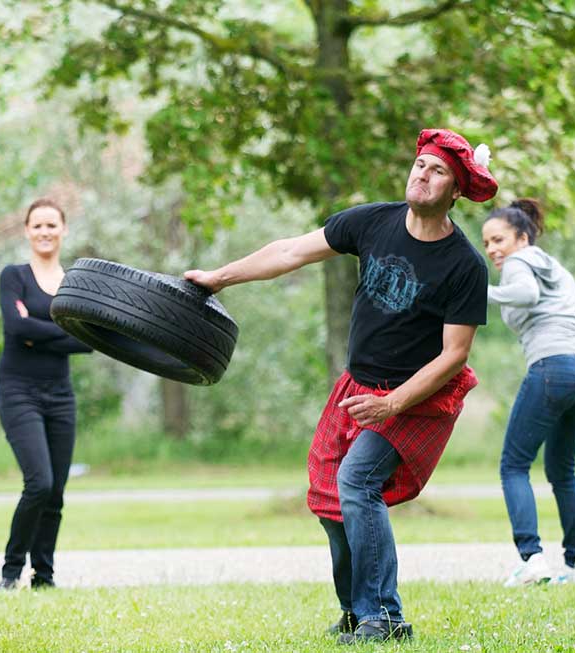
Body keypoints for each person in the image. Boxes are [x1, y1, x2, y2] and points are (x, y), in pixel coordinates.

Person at [185, 129, 497, 643]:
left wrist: (392, 402)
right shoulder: (373, 221)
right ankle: (360, 611)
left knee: (357, 482)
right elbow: (289, 252)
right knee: (330, 495)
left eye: (438, 170)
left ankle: (385, 615)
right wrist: (219, 278)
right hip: (359, 386)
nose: (423, 174)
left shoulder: (464, 265)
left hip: (418, 398)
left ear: (456, 190)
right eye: (420, 164)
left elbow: (454, 355)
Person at [481, 198, 575, 587]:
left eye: (499, 239)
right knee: (562, 470)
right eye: (487, 243)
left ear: (522, 238)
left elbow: (526, 296)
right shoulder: (557, 268)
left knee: (513, 465)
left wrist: (478, 291)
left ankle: (532, 558)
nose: (492, 250)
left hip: (551, 367)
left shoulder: (520, 263)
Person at [0, 198, 92, 590]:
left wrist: (40, 332)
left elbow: (87, 341)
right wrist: (63, 335)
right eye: (37, 225)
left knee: (56, 491)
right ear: (26, 231)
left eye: (52, 225)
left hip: (60, 395)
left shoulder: (75, 283)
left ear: (64, 230)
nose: (45, 232)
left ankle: (44, 578)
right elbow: (17, 331)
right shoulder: (13, 276)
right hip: (18, 390)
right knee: (38, 482)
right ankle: (10, 572)